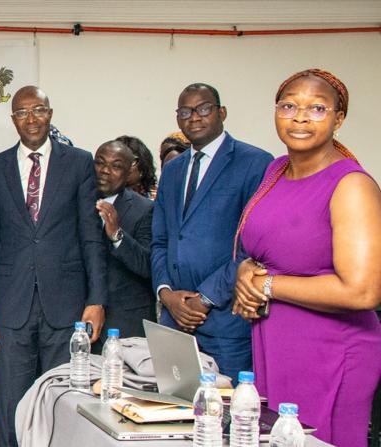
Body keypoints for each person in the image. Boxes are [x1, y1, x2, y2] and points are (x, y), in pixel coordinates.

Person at [233, 69, 381, 447]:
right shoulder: (276, 170)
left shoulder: (352, 185)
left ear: (338, 118)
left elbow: (363, 291)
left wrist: (267, 284)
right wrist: (246, 271)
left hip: (331, 348)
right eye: (289, 106)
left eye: (317, 108)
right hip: (276, 341)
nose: (300, 117)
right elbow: (267, 247)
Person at [0, 86, 107, 446]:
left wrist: (97, 300)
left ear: (50, 114)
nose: (31, 118)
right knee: (13, 404)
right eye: (22, 112)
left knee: (63, 401)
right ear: (13, 120)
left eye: (38, 110)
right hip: (10, 305)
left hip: (66, 304)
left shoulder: (78, 162)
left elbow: (90, 237)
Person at [151, 83, 273, 382]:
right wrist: (166, 295)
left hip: (226, 322)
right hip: (175, 320)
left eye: (203, 108)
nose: (194, 117)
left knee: (228, 408)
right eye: (185, 111)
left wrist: (205, 298)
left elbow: (253, 248)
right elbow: (161, 240)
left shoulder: (255, 162)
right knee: (173, 406)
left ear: (222, 113)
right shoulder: (173, 170)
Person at [92, 139, 155, 351]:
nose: (105, 171)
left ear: (128, 174)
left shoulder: (145, 209)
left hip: (125, 324)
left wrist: (117, 235)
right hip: (81, 322)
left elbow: (147, 265)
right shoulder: (76, 203)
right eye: (100, 163)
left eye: (116, 166)